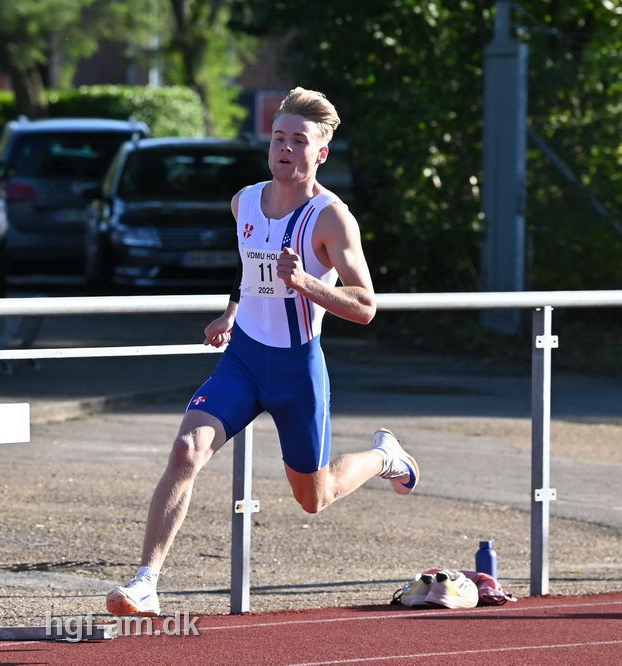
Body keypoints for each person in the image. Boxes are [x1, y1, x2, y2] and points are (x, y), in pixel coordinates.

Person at [105, 87, 420, 617]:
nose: (286, 149)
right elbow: (248, 264)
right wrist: (231, 310)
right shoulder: (244, 200)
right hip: (245, 361)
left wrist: (305, 284)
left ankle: (385, 456)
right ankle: (145, 582)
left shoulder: (331, 218)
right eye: (279, 138)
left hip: (297, 369)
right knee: (186, 452)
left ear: (320, 152)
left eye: (299, 140)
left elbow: (365, 305)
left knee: (313, 499)